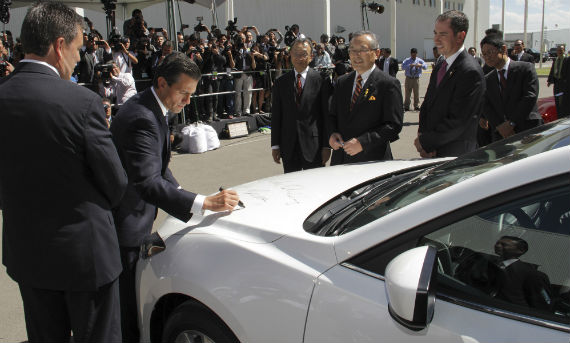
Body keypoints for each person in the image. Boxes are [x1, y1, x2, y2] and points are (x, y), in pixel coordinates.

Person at [0, 2, 127, 342]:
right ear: (59, 46)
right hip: (85, 257)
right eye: (77, 48)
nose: (78, 57)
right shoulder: (80, 102)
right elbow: (116, 183)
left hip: (27, 252)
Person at [110, 51, 240, 342]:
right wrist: (203, 203)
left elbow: (159, 167)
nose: (188, 101)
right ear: (161, 83)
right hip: (125, 224)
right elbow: (147, 181)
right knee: (127, 310)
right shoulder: (142, 117)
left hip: (132, 217)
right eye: (183, 92)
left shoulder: (151, 107)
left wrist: (187, 197)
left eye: (192, 94)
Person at [415, 10, 485, 158]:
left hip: (456, 152)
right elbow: (428, 103)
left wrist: (427, 142)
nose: (436, 39)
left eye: (443, 34)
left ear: (460, 36)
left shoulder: (470, 71)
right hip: (433, 149)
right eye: (435, 33)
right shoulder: (441, 63)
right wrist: (422, 134)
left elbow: (458, 121)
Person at [328, 31, 403, 165]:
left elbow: (393, 125)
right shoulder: (342, 82)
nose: (356, 55)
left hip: (372, 159)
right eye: (352, 50)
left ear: (377, 53)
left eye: (362, 50)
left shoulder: (388, 84)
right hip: (342, 159)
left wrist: (363, 142)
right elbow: (332, 114)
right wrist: (332, 134)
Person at [271, 38, 332, 173]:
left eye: (304, 54)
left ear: (311, 57)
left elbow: (327, 115)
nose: (299, 58)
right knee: (292, 187)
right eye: (296, 53)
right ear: (290, 55)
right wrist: (275, 145)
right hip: (288, 145)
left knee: (315, 186)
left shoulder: (322, 80)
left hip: (314, 146)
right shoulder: (281, 82)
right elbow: (276, 115)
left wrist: (327, 146)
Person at [480, 34, 542, 142]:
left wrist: (511, 123)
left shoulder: (525, 69)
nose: (487, 57)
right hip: (502, 134)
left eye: (490, 52)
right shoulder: (487, 79)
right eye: (484, 54)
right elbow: (486, 105)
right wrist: (501, 126)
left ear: (503, 49)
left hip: (527, 129)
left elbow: (530, 97)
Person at [547, 45, 566, 115]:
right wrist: (549, 80)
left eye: (561, 50)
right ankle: (559, 113)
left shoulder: (566, 59)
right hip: (556, 82)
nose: (559, 52)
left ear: (564, 50)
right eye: (558, 50)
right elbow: (552, 70)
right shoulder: (555, 60)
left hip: (564, 82)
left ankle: (563, 113)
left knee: (563, 99)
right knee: (557, 98)